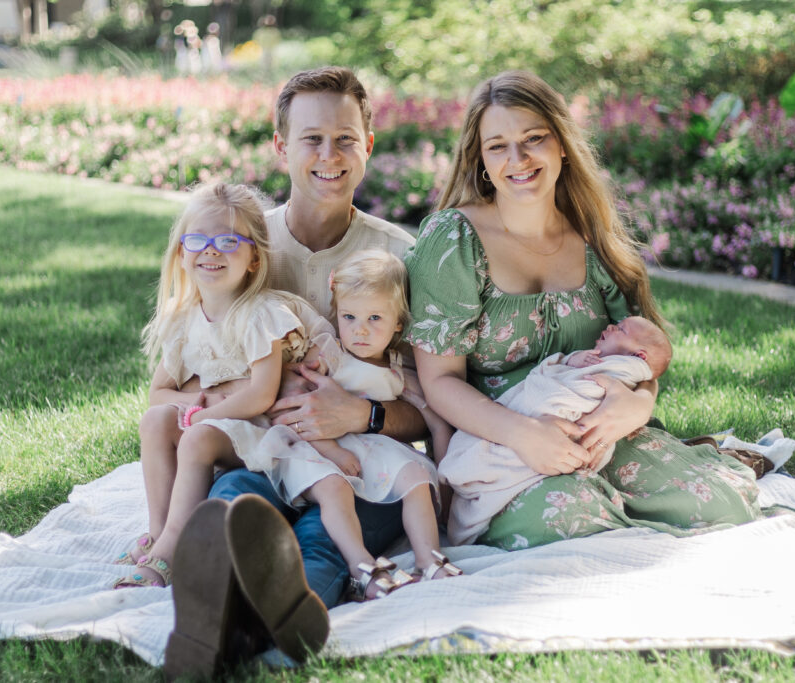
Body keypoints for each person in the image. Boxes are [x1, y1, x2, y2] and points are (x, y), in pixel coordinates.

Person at [405, 70, 761, 553]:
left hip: (602, 432)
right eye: (498, 146)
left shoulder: (591, 235)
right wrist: (525, 435)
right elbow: (439, 381)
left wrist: (638, 404)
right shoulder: (453, 240)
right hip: (502, 444)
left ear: (562, 144)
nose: (519, 159)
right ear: (481, 161)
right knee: (575, 523)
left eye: (534, 139)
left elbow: (640, 349)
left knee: (722, 502)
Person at [163, 67, 426, 679]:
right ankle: (225, 608)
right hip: (264, 451)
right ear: (281, 146)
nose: (329, 156)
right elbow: (184, 372)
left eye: (345, 138)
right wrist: (245, 393)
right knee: (233, 501)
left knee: (327, 529)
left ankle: (259, 620)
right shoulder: (244, 250)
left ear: (368, 144)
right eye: (311, 139)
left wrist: (365, 414)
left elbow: (430, 395)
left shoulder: (401, 258)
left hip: (364, 458)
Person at [112, 181, 333, 589]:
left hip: (265, 433)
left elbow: (262, 394)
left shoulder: (261, 313)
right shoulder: (184, 320)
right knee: (155, 421)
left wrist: (203, 415)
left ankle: (174, 547)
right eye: (197, 239)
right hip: (220, 423)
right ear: (181, 252)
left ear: (253, 258)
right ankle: (159, 532)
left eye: (228, 241)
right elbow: (158, 393)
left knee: (195, 437)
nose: (210, 250)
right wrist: (201, 402)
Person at [267, 249, 460, 599]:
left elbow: (437, 421)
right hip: (319, 448)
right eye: (349, 316)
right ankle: (360, 566)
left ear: (398, 322)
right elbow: (296, 411)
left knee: (416, 476)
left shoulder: (400, 368)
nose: (360, 330)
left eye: (375, 318)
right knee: (335, 489)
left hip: (371, 447)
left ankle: (429, 559)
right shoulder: (328, 356)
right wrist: (334, 453)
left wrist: (444, 487)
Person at [440, 316, 673, 545]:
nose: (611, 326)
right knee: (572, 518)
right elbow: (440, 379)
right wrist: (571, 362)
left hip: (614, 433)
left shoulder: (621, 362)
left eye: (620, 329)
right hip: (503, 425)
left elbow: (649, 367)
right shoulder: (597, 361)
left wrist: (641, 402)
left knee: (689, 497)